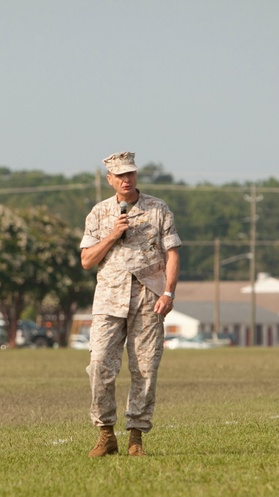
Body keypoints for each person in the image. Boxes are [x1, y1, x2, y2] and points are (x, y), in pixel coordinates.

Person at [80, 151, 181, 457]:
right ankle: (106, 433)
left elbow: (173, 253)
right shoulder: (98, 213)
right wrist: (112, 234)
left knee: (145, 369)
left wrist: (169, 292)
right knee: (99, 365)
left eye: (131, 174)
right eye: (120, 175)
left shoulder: (158, 209)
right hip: (109, 300)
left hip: (148, 298)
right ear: (109, 179)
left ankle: (135, 435)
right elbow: (87, 260)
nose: (126, 180)